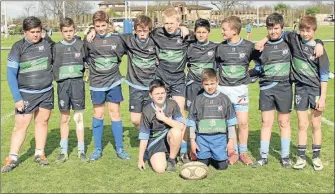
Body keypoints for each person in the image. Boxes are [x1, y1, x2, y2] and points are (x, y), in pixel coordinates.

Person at [256, 16, 328, 171]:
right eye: (302, 30)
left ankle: (316, 158)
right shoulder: (293, 39)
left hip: (315, 90)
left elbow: (324, 75)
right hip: (300, 88)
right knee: (302, 124)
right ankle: (301, 157)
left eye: (308, 30)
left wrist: (322, 98)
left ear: (314, 30)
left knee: (316, 124)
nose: (304, 33)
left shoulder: (319, 48)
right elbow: (276, 31)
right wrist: (263, 40)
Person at [2, 16, 54, 172]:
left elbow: (65, 46)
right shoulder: (17, 47)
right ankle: (12, 157)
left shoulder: (48, 44)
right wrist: (17, 98)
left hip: (46, 92)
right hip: (25, 94)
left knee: (42, 122)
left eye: (38, 31)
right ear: (25, 32)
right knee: (21, 126)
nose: (36, 35)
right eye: (32, 32)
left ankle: (40, 153)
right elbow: (11, 74)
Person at [150, 7, 195, 163]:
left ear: (178, 22)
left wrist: (186, 29)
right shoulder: (157, 33)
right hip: (161, 78)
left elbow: (202, 34)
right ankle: (161, 145)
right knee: (160, 113)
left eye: (172, 23)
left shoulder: (185, 35)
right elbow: (140, 30)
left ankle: (182, 151)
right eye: (166, 23)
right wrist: (91, 30)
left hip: (177, 79)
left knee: (179, 114)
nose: (169, 26)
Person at [248, 13, 293, 168]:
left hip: (284, 88)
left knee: (284, 122)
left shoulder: (289, 41)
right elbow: (256, 67)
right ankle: (263, 156)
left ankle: (285, 156)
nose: (273, 31)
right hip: (266, 89)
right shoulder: (260, 48)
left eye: (276, 28)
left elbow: (309, 39)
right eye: (270, 28)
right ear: (267, 29)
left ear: (282, 28)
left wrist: (319, 43)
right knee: (266, 122)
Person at [215, 16, 261, 165]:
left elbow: (260, 65)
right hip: (224, 90)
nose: (222, 32)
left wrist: (249, 75)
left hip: (240, 90)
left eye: (224, 29)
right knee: (229, 123)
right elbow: (215, 67)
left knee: (243, 122)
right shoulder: (220, 47)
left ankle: (244, 152)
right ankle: (232, 152)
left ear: (234, 31)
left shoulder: (248, 46)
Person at [85, 10, 130, 161]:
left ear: (108, 24)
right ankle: (98, 149)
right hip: (97, 83)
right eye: (97, 26)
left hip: (113, 82)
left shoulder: (118, 39)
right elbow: (84, 56)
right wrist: (89, 33)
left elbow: (131, 48)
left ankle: (120, 148)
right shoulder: (89, 40)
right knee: (98, 115)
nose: (101, 28)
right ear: (93, 26)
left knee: (115, 114)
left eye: (103, 25)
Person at [187, 68, 238, 170]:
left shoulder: (224, 99)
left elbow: (231, 122)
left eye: (212, 83)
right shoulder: (198, 100)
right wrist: (192, 141)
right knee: (202, 166)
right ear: (202, 84)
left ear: (217, 82)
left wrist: (231, 141)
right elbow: (192, 122)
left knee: (222, 167)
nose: (209, 87)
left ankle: (216, 155)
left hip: (219, 139)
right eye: (206, 84)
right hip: (202, 139)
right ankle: (205, 155)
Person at [52, 17, 88, 162]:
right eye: (65, 31)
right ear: (61, 32)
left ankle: (81, 150)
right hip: (63, 86)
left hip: (77, 84)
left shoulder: (81, 44)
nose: (68, 33)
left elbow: (88, 60)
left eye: (71, 30)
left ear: (75, 30)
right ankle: (63, 151)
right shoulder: (56, 47)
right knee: (65, 118)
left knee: (78, 117)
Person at [137, 79, 185, 173]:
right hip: (155, 141)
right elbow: (144, 136)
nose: (160, 96)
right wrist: (140, 159)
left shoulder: (172, 104)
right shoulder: (147, 111)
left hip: (169, 137)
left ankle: (171, 160)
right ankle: (159, 154)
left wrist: (164, 118)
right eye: (157, 93)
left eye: (162, 93)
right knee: (160, 169)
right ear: (151, 95)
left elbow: (181, 126)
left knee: (176, 132)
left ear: (166, 93)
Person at [185, 18, 217, 112]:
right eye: (198, 32)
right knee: (192, 113)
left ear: (209, 33)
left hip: (208, 85)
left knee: (208, 112)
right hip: (192, 85)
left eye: (204, 32)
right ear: (194, 32)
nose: (201, 34)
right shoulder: (189, 47)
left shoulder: (215, 47)